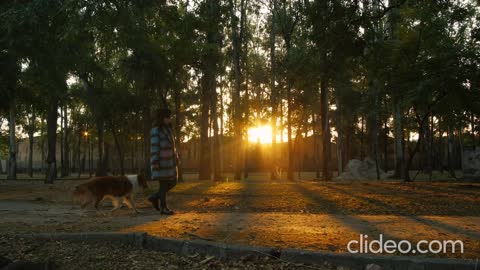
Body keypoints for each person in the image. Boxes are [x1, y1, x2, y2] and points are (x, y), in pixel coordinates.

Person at [148, 108, 178, 215]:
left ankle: (154, 197)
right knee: (164, 185)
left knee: (173, 182)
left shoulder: (169, 129)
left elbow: (172, 146)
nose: (170, 119)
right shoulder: (156, 130)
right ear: (162, 118)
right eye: (167, 117)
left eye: (170, 117)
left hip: (170, 162)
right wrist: (155, 161)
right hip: (161, 162)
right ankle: (163, 208)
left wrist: (176, 157)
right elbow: (154, 147)